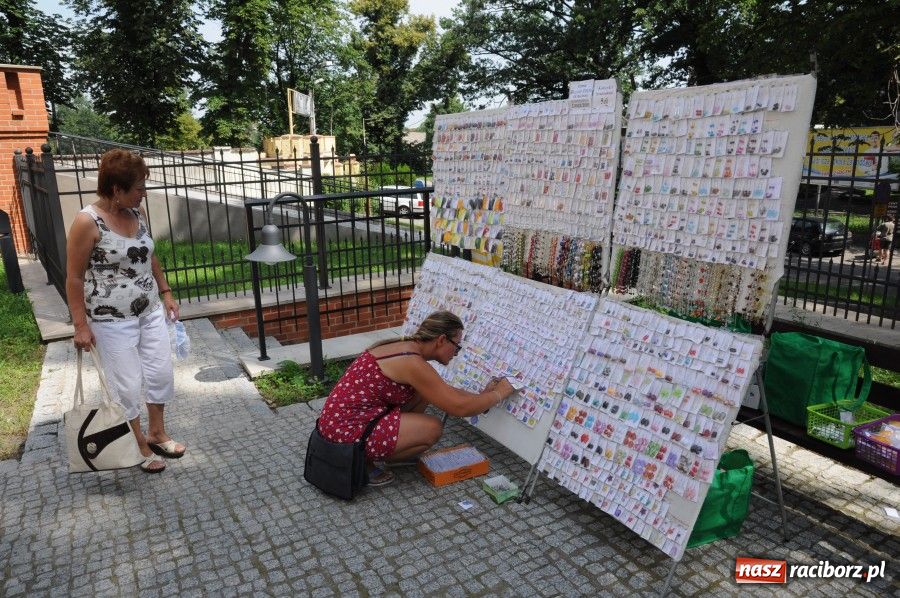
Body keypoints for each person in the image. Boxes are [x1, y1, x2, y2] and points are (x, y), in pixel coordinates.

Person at [65, 149, 185, 474]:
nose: (143, 193)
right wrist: (79, 325)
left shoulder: (136, 213)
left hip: (150, 310)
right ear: (116, 189)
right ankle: (138, 443)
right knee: (127, 385)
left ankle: (157, 432)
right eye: (138, 188)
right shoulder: (87, 222)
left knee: (160, 372)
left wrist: (167, 292)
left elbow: (149, 257)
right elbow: (74, 278)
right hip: (110, 320)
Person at [317, 310, 515, 486]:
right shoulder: (412, 362)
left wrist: (483, 397)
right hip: (345, 436)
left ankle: (385, 450)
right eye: (457, 346)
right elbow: (458, 407)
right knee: (432, 428)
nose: (457, 353)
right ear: (442, 340)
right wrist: (499, 394)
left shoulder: (407, 348)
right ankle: (365, 462)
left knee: (424, 392)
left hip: (341, 424)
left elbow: (445, 391)